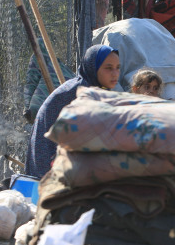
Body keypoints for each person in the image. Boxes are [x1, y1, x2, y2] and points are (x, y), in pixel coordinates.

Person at [26, 45, 120, 179]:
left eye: (118, 68)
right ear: (94, 67)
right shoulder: (78, 93)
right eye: (108, 68)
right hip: (48, 164)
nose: (115, 73)